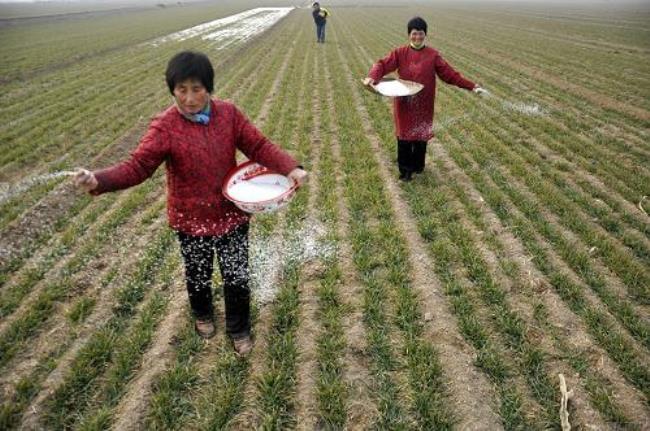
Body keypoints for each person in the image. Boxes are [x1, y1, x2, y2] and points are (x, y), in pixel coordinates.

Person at [74, 51, 308, 356]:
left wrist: (290, 167)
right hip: (191, 218)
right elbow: (138, 166)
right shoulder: (165, 126)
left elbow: (257, 145)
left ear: (209, 87)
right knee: (197, 274)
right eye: (181, 90)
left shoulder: (228, 115)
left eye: (197, 89)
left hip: (230, 213)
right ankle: (202, 314)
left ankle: (238, 328)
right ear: (172, 89)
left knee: (236, 275)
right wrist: (99, 180)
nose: (189, 98)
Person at [363, 16, 488, 182]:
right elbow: (382, 64)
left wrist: (472, 86)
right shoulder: (399, 53)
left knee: (421, 135)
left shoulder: (433, 55)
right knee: (405, 137)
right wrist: (372, 77)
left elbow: (450, 75)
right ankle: (405, 172)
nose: (417, 37)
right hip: (404, 103)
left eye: (420, 33)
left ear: (425, 34)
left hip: (424, 103)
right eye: (414, 33)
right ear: (409, 35)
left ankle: (418, 166)